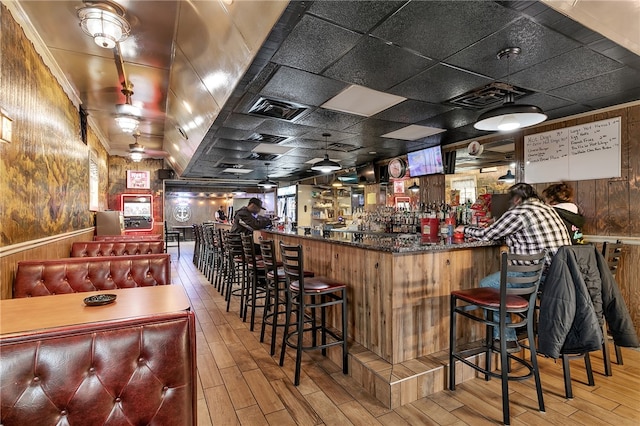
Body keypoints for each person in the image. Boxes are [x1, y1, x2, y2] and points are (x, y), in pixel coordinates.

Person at [455, 183, 572, 351]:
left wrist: (463, 228)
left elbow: (486, 234)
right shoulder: (548, 209)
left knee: (488, 286)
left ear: (517, 199)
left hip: (536, 278)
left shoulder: (519, 212)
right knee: (506, 285)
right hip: (559, 277)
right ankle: (523, 324)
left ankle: (505, 339)